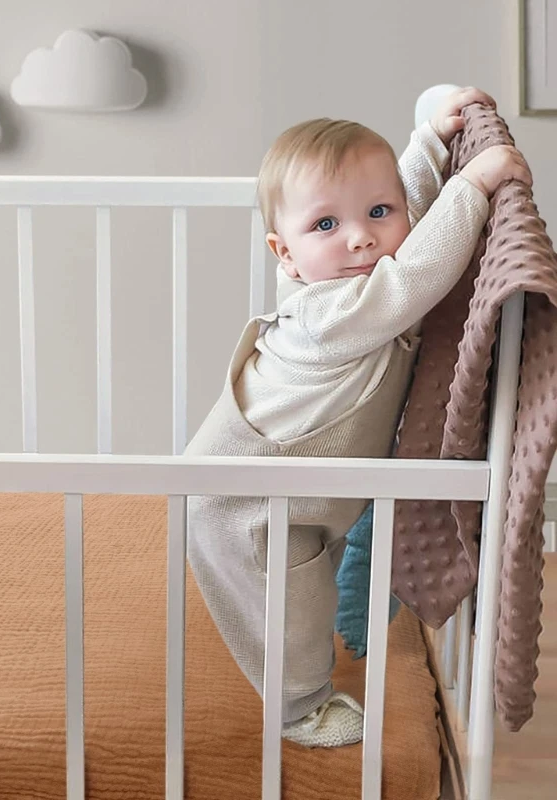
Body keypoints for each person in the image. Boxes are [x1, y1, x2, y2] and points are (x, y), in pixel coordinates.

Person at [184, 87, 532, 748]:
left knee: (307, 582)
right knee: (293, 618)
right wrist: (474, 188)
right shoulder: (329, 315)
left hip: (303, 497)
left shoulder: (362, 273)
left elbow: (410, 212)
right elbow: (411, 276)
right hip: (248, 507)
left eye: (376, 212)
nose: (360, 236)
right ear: (283, 253)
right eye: (324, 226)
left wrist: (431, 142)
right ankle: (300, 711)